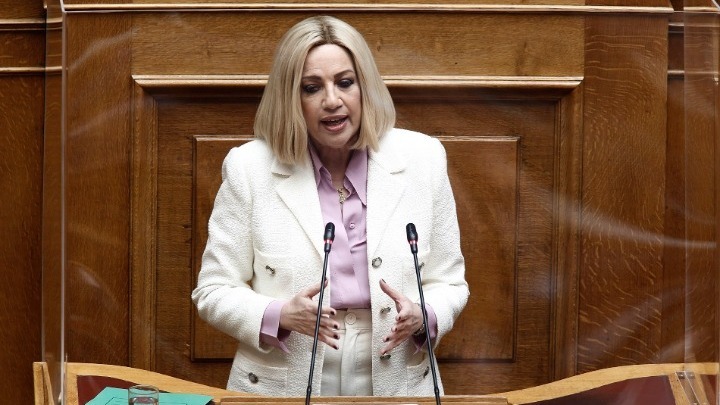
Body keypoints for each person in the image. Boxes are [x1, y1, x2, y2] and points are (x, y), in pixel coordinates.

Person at [191, 15, 468, 398]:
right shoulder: (248, 168)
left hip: (397, 378)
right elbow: (213, 290)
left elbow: (450, 282)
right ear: (291, 98)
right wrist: (279, 314)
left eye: (345, 82)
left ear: (364, 87)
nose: (332, 100)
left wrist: (425, 315)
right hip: (282, 380)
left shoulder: (423, 158)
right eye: (311, 87)